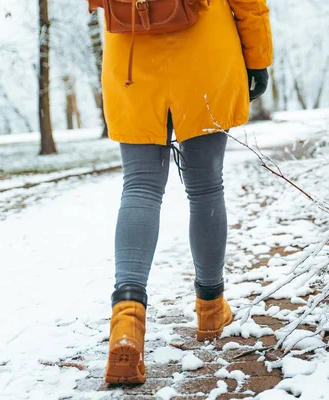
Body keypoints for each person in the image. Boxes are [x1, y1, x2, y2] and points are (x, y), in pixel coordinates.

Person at [95, 0, 273, 384]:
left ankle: (126, 321)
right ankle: (210, 309)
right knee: (206, 186)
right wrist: (257, 58)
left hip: (131, 49)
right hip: (203, 47)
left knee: (140, 186)